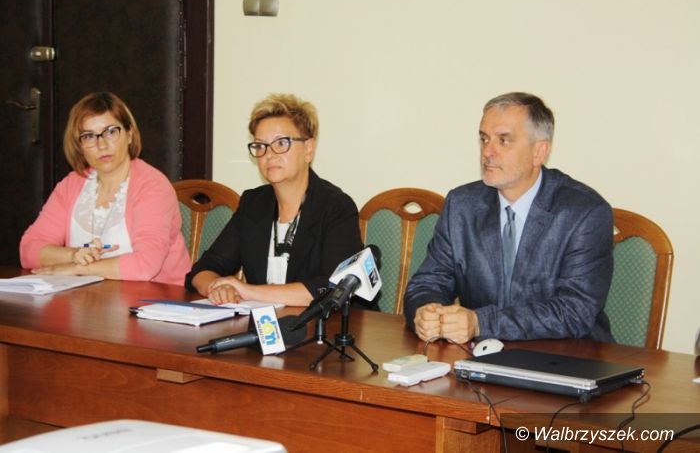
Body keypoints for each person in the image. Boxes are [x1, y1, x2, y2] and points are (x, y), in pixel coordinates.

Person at [404, 92, 614, 343]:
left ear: (539, 152)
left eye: (503, 141)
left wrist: (481, 323)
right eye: (484, 139)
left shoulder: (584, 213)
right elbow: (429, 282)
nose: (487, 152)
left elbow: (574, 311)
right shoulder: (462, 205)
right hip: (481, 355)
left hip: (567, 356)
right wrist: (426, 311)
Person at [185, 94, 365, 308]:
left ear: (308, 149)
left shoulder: (336, 207)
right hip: (268, 324)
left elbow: (334, 288)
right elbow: (204, 269)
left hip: (324, 325)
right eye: (260, 146)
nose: (269, 154)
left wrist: (247, 290)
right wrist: (217, 288)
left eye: (281, 143)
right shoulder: (254, 204)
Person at [20, 92, 190, 285]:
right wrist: (74, 255)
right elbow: (28, 249)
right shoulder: (71, 184)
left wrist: (78, 268)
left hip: (155, 298)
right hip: (88, 297)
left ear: (129, 134)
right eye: (88, 136)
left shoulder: (153, 186)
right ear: (79, 146)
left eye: (110, 132)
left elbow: (145, 265)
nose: (101, 144)